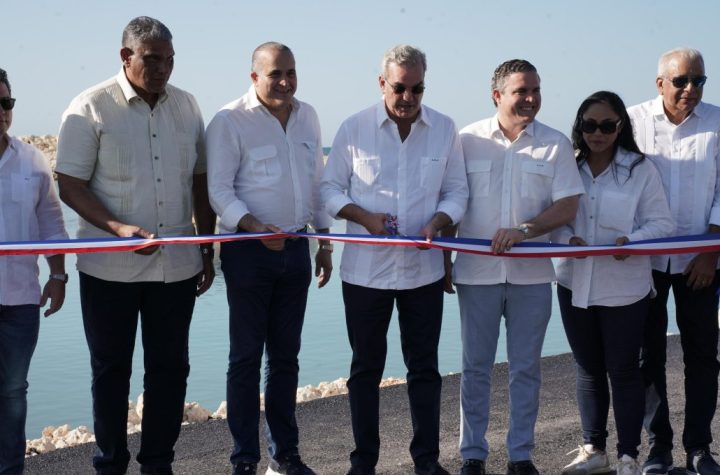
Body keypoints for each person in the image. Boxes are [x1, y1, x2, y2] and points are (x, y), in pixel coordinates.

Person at [55, 16, 215, 475]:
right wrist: (117, 228)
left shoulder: (187, 106)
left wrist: (205, 249)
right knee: (111, 373)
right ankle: (110, 464)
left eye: (169, 60)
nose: (162, 68)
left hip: (177, 267)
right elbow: (69, 184)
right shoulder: (90, 107)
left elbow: (200, 182)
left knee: (170, 371)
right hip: (110, 271)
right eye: (152, 58)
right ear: (126, 56)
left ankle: (158, 464)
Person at [321, 44, 468, 475]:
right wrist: (362, 216)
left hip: (422, 272)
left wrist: (439, 221)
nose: (408, 98)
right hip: (365, 274)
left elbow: (457, 191)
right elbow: (329, 191)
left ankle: (426, 461)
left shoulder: (444, 128)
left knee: (425, 370)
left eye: (417, 89)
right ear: (382, 83)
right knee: (364, 371)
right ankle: (363, 462)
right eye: (400, 88)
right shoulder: (352, 128)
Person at [445, 59, 584, 475]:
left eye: (536, 90)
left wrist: (527, 229)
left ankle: (520, 455)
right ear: (498, 95)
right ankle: (473, 454)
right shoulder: (466, 140)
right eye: (522, 91)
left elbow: (568, 204)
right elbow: (451, 201)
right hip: (476, 274)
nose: (531, 99)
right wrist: (443, 260)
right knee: (475, 367)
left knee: (526, 368)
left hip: (532, 277)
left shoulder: (556, 144)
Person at [205, 41, 332, 475]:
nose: (285, 82)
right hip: (247, 252)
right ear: (254, 76)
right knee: (244, 357)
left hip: (297, 249)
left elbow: (316, 183)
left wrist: (326, 242)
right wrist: (255, 227)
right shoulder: (229, 120)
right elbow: (218, 191)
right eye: (275, 73)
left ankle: (286, 456)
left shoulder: (309, 116)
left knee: (286, 358)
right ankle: (244, 459)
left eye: (291, 73)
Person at [555, 91, 673, 475]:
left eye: (607, 125)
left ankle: (627, 456)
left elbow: (663, 224)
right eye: (590, 125)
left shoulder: (641, 170)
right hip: (574, 282)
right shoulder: (566, 166)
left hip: (625, 286)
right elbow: (553, 218)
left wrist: (633, 242)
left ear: (620, 126)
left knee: (623, 370)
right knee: (587, 368)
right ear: (580, 127)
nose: (598, 133)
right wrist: (566, 240)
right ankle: (594, 450)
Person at [628, 47, 720, 475]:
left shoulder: (718, 123)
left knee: (702, 355)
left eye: (698, 81)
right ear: (660, 82)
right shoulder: (631, 121)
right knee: (648, 357)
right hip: (644, 261)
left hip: (700, 263)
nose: (689, 90)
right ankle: (657, 448)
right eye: (681, 81)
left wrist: (709, 251)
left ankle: (699, 447)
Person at [0, 68, 68, 475]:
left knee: (11, 393)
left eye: (6, 103)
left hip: (20, 302)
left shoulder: (32, 160)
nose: (2, 111)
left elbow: (52, 226)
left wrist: (58, 276)